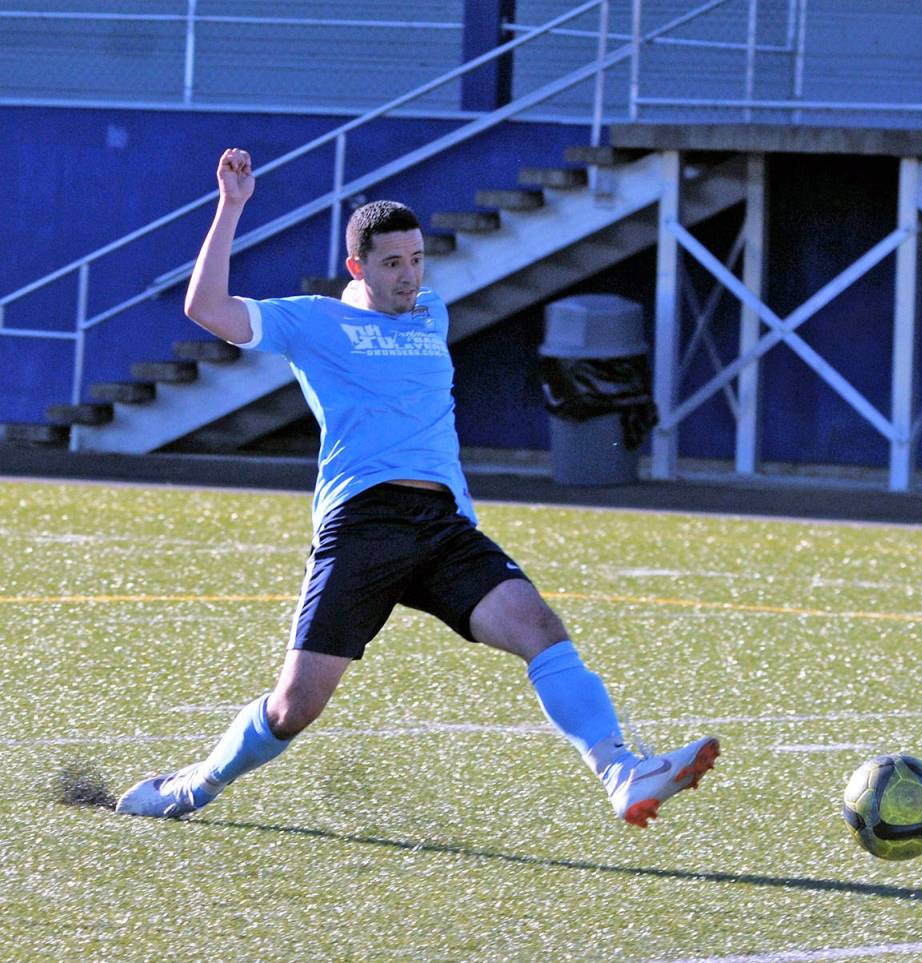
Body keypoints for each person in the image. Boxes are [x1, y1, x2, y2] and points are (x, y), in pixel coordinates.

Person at [115, 147, 720, 829]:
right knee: (295, 706)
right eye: (392, 264)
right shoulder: (317, 322)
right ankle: (192, 785)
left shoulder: (432, 314)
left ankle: (619, 770)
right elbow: (206, 307)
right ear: (358, 268)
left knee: (540, 627)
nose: (408, 277)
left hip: (442, 526)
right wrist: (231, 207)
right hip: (364, 524)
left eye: (416, 260)